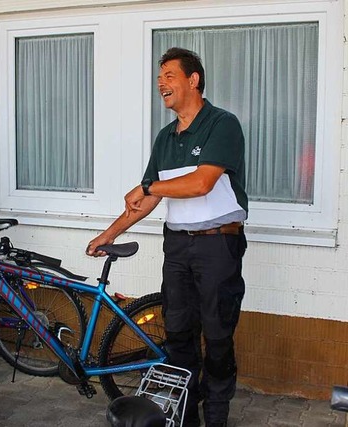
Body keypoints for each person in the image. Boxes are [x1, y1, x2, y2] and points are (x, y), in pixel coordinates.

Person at [87, 48, 247, 427]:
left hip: (217, 245)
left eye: (170, 75)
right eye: (160, 77)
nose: (162, 83)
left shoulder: (222, 124)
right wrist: (107, 235)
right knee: (177, 333)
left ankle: (218, 414)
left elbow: (200, 183)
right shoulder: (165, 138)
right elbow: (147, 199)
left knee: (218, 333)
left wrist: (147, 185)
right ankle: (185, 415)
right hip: (177, 245)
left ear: (194, 80)